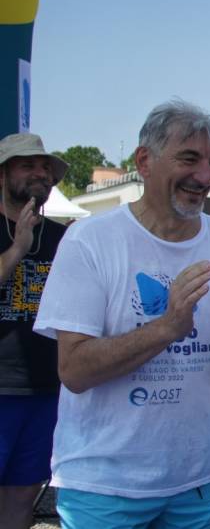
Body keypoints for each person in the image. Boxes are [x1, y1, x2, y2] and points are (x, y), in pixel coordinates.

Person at [33, 100, 210, 528]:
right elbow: (73, 370)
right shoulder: (90, 240)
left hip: (199, 482)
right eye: (189, 158)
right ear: (144, 161)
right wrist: (166, 328)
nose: (205, 176)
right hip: (107, 488)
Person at [0, 133, 69, 529]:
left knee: (23, 493)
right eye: (28, 166)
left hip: (46, 389)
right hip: (1, 386)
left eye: (45, 168)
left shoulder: (63, 237)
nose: (40, 173)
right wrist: (17, 249)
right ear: (4, 174)